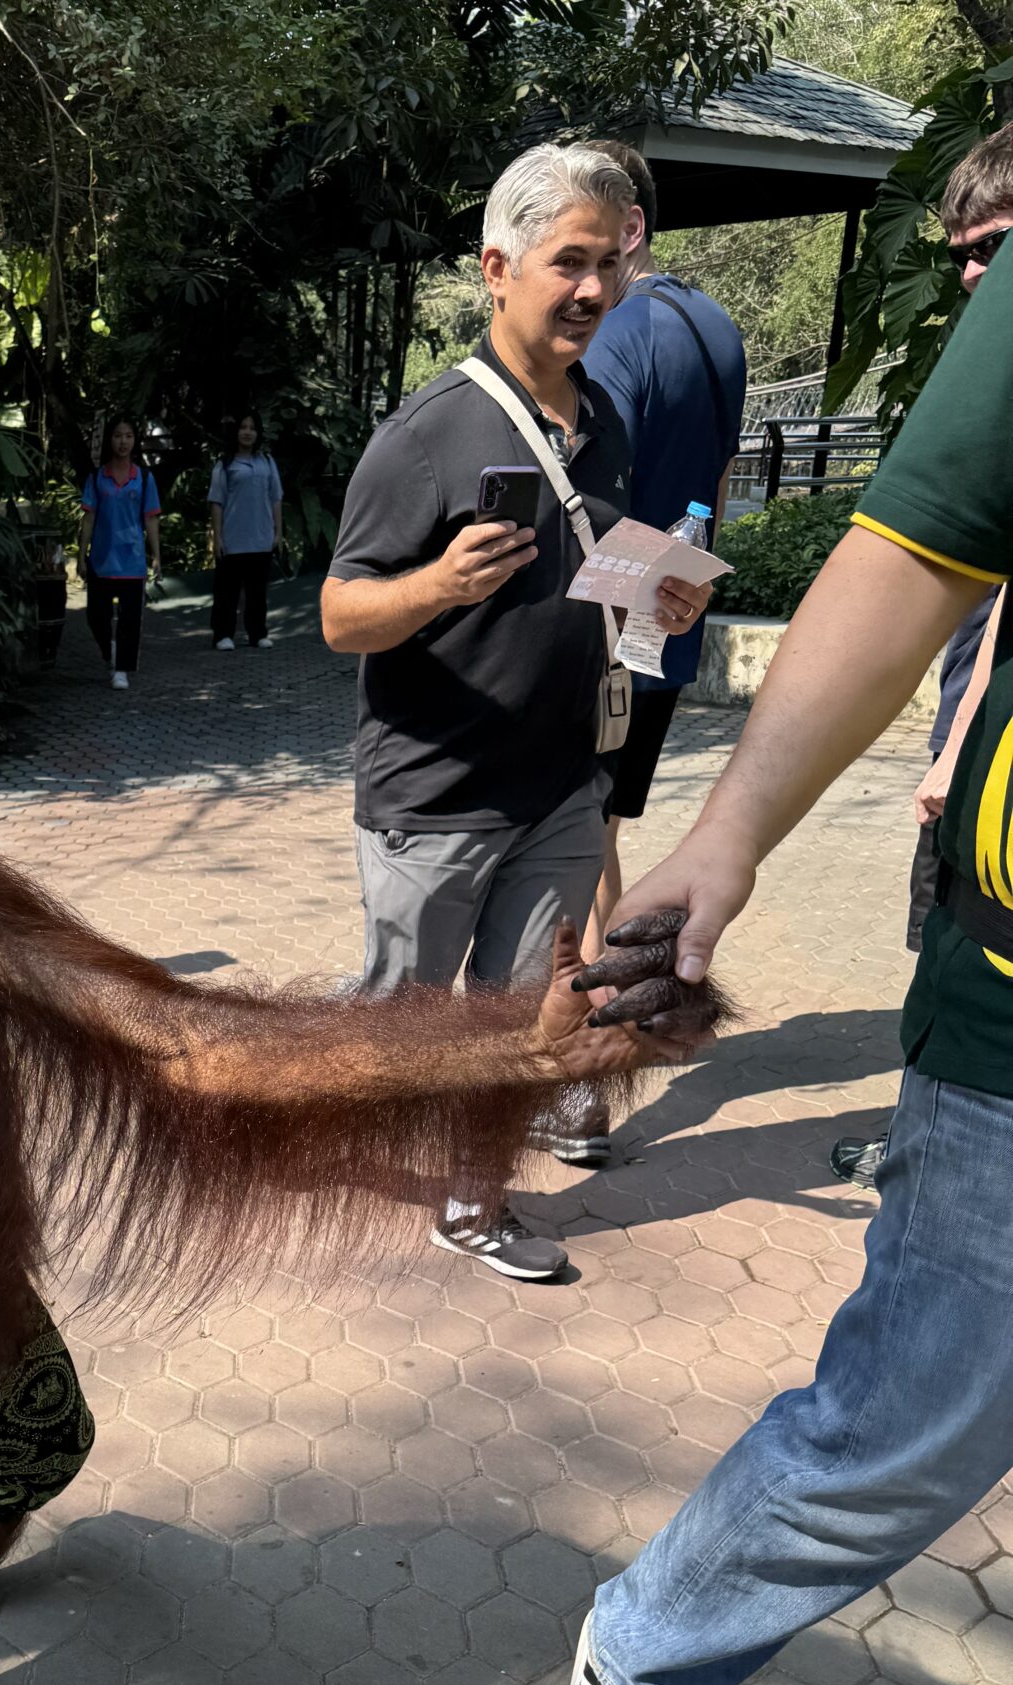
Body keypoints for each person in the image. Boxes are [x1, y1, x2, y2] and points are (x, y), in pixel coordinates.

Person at [551, 219, 1013, 1685]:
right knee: (917, 1410)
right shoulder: (596, 373)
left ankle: (591, 1082)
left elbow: (700, 534)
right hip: (616, 645)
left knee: (605, 841)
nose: (591, 284)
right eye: (969, 250)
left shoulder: (659, 361)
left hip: (649, 624)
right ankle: (652, 1642)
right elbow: (925, 554)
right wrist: (733, 830)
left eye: (609, 257)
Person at [322, 142, 706, 1279]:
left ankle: (470, 1196)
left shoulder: (610, 425)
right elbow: (343, 615)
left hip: (560, 785)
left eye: (608, 266)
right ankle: (323, 1134)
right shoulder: (429, 432)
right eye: (567, 262)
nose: (593, 290)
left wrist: (665, 613)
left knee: (509, 1013)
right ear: (498, 267)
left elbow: (613, 610)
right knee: (404, 1014)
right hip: (436, 793)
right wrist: (439, 585)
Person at [532, 138, 747, 1170]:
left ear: (628, 228)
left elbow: (587, 485)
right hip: (677, 614)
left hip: (607, 623)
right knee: (607, 828)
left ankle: (586, 1075)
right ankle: (625, 1027)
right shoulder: (715, 327)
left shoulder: (617, 334)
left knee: (582, 846)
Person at [830, 126, 1013, 1188]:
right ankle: (918, 1132)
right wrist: (952, 743)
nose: (979, 274)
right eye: (965, 256)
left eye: (996, 244)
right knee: (935, 939)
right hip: (973, 772)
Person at [81, 417, 162, 690]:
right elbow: (89, 518)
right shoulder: (96, 477)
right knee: (96, 616)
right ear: (109, 440)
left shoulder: (144, 478)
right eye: (118, 435)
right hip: (102, 559)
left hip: (132, 559)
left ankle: (122, 669)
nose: (123, 441)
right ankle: (110, 652)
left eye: (128, 436)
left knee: (130, 618)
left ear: (134, 440)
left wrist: (156, 555)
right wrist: (82, 554)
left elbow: (151, 519)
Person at [209, 412, 283, 651]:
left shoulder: (267, 462)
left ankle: (258, 633)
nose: (248, 432)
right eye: (243, 427)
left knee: (257, 594)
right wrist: (217, 537)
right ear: (236, 432)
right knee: (226, 593)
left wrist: (277, 532)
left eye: (252, 428)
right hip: (232, 539)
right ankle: (223, 635)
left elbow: (275, 499)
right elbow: (217, 502)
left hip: (261, 538)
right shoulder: (225, 464)